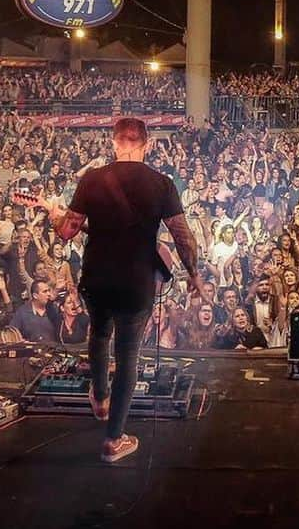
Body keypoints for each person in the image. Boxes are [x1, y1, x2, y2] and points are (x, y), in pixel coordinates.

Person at [41, 117, 200, 464]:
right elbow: (182, 236)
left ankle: (99, 398)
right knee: (128, 355)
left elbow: (67, 232)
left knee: (99, 334)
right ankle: (113, 440)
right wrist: (194, 275)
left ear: (114, 143)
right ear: (148, 144)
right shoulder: (162, 184)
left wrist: (54, 215)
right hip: (136, 281)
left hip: (96, 276)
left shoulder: (92, 179)